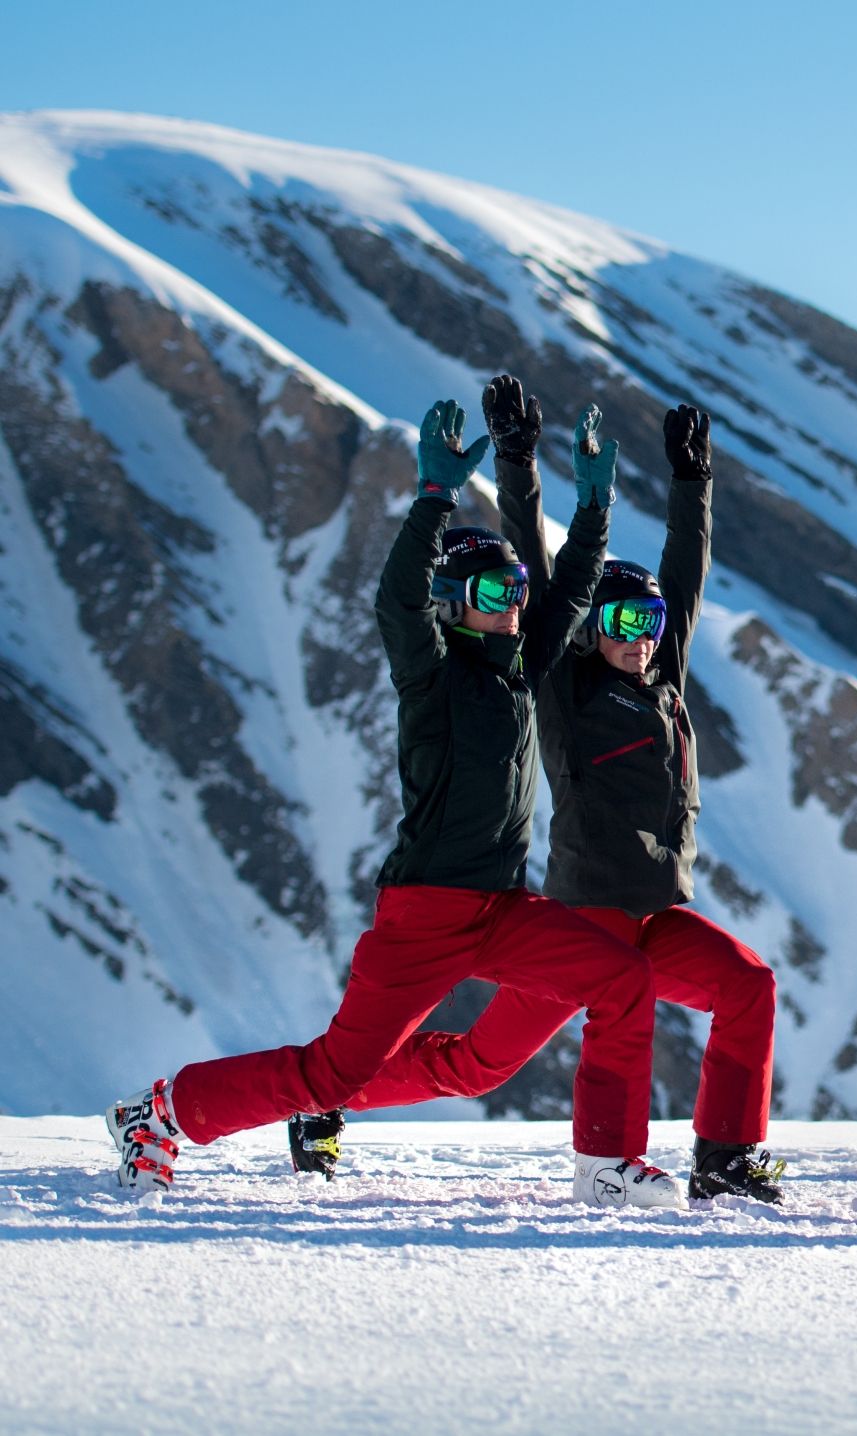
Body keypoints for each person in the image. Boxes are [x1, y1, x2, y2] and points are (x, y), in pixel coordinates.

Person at [108, 397, 680, 1207]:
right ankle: (158, 1114)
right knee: (333, 1071)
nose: (515, 600)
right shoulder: (434, 674)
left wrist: (594, 508)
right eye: (494, 588)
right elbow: (395, 602)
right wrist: (434, 497)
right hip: (426, 913)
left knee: (622, 977)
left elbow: (576, 585)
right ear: (455, 598)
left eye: (516, 584)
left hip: (502, 906)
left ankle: (605, 1168)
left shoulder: (518, 664)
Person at [324, 383, 783, 1205]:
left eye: (648, 624)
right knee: (478, 1063)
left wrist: (691, 483)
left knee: (748, 985)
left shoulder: (659, 680)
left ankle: (724, 1158)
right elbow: (534, 563)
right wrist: (518, 460)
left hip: (654, 914)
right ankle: (330, 1098)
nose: (640, 638)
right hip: (584, 916)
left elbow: (685, 579)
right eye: (622, 623)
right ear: (587, 629)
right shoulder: (566, 689)